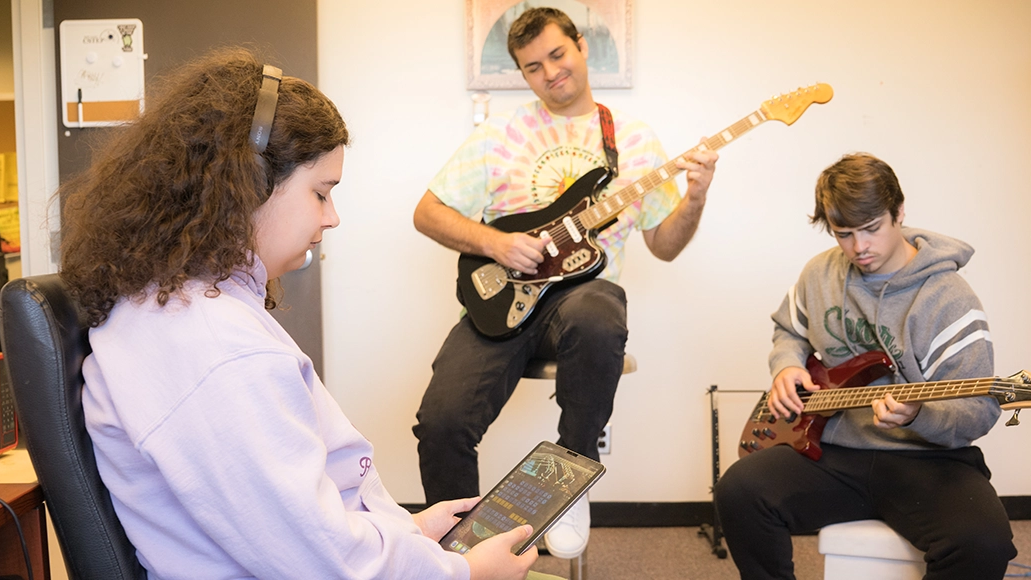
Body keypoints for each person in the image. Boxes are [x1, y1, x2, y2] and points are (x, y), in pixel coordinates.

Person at [59, 48, 539, 580]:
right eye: (320, 193)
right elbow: (324, 563)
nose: (332, 218)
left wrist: (411, 530)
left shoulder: (185, 308)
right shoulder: (219, 351)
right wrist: (466, 574)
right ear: (249, 183)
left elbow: (294, 526)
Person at [411, 7, 718, 559]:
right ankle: (460, 553)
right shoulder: (498, 135)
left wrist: (695, 196)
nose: (551, 72)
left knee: (599, 308)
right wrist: (496, 244)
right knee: (441, 423)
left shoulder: (633, 141)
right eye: (533, 67)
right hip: (501, 302)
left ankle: (571, 477)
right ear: (522, 75)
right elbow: (427, 213)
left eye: (557, 55)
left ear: (581, 46)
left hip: (580, 301)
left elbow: (664, 245)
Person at [714, 153, 1017, 580]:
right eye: (844, 234)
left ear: (899, 212)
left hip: (929, 461)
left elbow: (979, 410)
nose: (859, 247)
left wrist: (919, 415)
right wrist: (785, 367)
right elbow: (789, 329)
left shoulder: (950, 299)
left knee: (984, 543)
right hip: (835, 452)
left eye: (872, 228)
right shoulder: (819, 274)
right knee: (739, 490)